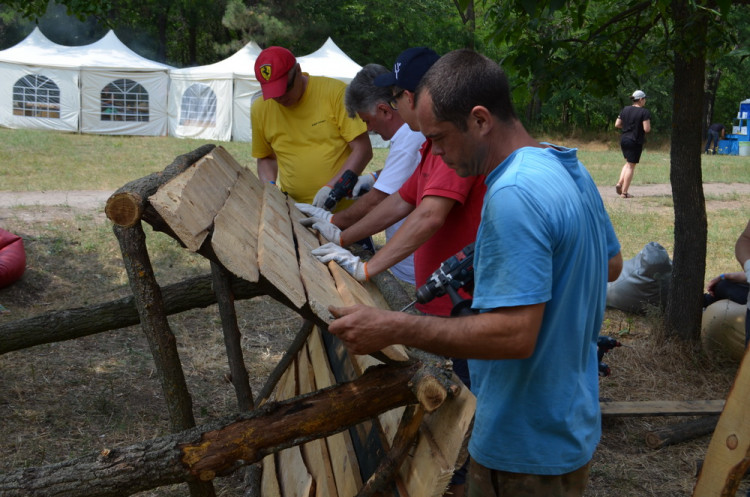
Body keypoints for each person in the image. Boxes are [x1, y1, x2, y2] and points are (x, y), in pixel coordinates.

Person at [325, 49, 623, 497]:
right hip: (569, 424)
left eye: (441, 138)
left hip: (522, 444)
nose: (438, 154)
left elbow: (513, 336)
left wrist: (393, 326)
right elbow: (610, 264)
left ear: (480, 120)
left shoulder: (513, 195)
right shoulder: (566, 165)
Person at [305, 47, 486, 497]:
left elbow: (427, 216)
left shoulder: (447, 145)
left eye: (401, 95)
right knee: (456, 403)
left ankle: (466, 481)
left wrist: (367, 265)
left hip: (466, 304)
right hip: (445, 304)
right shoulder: (430, 144)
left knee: (469, 413)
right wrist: (341, 238)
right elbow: (401, 201)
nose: (397, 105)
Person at [295, 63, 425, 285]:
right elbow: (416, 169)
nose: (368, 129)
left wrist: (334, 223)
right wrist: (374, 177)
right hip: (412, 262)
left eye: (367, 120)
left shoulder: (408, 140)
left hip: (418, 265)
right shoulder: (410, 137)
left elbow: (378, 202)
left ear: (384, 110)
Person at [251, 46, 373, 208]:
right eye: (274, 94)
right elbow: (266, 157)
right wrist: (271, 187)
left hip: (345, 211)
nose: (280, 98)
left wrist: (333, 188)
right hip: (295, 213)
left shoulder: (335, 93)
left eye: (285, 89)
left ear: (298, 70)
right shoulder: (261, 108)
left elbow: (363, 149)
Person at [614, 89, 651, 199]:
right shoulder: (644, 112)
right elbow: (647, 129)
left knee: (628, 163)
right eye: (644, 99)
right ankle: (624, 193)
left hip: (624, 139)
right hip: (635, 141)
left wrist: (628, 127)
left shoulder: (625, 109)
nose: (645, 101)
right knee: (631, 166)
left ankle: (619, 184)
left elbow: (617, 124)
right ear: (640, 99)